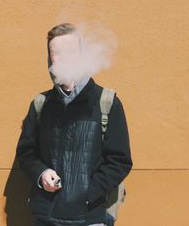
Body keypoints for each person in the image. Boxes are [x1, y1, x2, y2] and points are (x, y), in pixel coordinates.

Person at [15, 23, 133, 226]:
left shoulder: (107, 102)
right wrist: (41, 174)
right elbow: (27, 153)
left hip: (91, 217)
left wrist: (87, 192)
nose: (63, 58)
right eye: (56, 53)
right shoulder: (41, 104)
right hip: (46, 217)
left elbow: (120, 161)